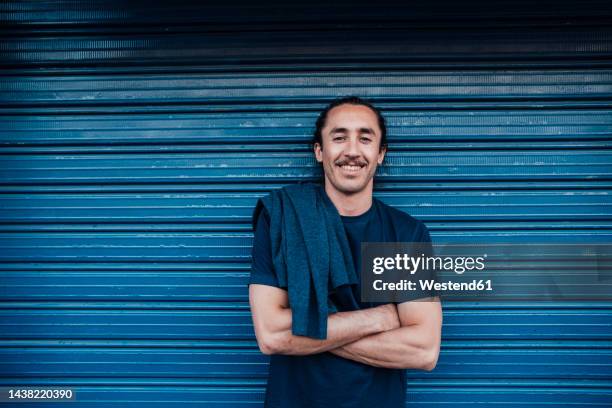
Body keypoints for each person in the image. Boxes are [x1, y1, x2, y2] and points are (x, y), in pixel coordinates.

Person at [248, 96, 442, 408]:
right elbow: (271, 335)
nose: (352, 151)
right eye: (339, 137)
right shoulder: (282, 219)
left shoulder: (404, 233)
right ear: (319, 151)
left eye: (365, 139)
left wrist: (303, 334)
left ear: (380, 154)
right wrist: (381, 318)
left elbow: (424, 350)